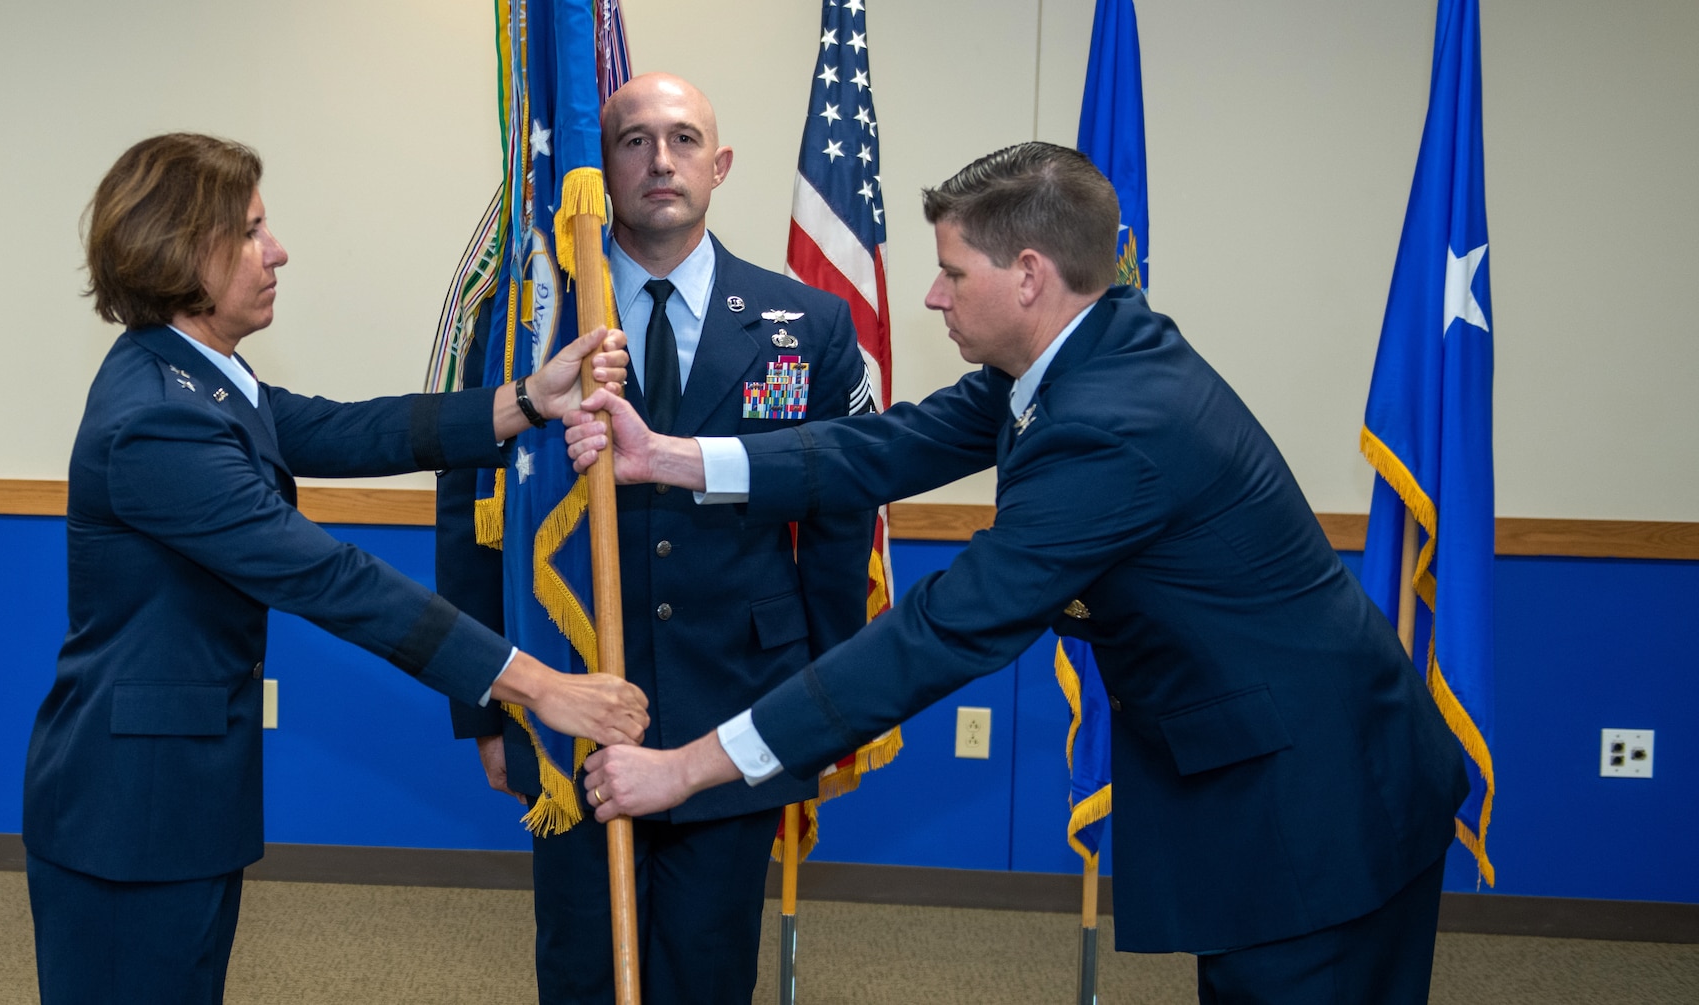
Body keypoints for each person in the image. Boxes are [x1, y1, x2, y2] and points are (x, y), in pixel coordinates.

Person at [567, 142, 1469, 1005]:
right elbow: (892, 442)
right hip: (1278, 769)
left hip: (1323, 802)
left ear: (1029, 275)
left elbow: (943, 629)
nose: (931, 295)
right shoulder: (1086, 346)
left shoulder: (1113, 426)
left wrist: (689, 767)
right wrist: (675, 458)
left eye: (954, 272)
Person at [22, 133, 647, 1005]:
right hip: (131, 809)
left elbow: (345, 428)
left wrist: (525, 401)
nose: (276, 251)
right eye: (250, 231)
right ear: (180, 251)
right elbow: (331, 578)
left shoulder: (199, 374)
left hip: (177, 790)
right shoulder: (157, 420)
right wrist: (535, 683)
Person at [436, 74, 878, 1005]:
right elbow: (470, 509)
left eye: (683, 139)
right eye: (634, 141)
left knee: (710, 970)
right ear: (604, 168)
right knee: (583, 969)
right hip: (569, 696)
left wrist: (828, 691)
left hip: (740, 700)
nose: (661, 160)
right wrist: (481, 704)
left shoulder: (811, 322)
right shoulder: (528, 322)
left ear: (719, 166)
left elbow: (840, 520)